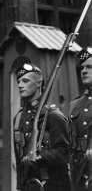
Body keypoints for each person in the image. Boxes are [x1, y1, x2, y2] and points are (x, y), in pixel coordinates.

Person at [13, 63, 70, 191]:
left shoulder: (53, 115)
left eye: (25, 81)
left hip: (52, 185)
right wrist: (19, 187)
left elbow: (65, 152)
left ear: (38, 83)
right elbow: (19, 160)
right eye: (19, 81)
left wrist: (39, 158)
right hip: (28, 186)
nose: (20, 85)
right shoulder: (18, 119)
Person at [69, 47, 92, 190]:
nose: (83, 71)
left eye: (89, 67)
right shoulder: (74, 104)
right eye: (82, 67)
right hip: (78, 174)